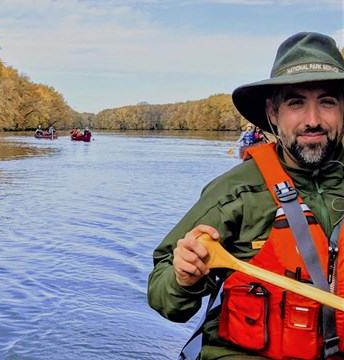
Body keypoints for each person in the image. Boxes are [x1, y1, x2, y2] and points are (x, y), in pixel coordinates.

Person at [147, 32, 344, 360]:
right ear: (272, 112)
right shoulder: (234, 192)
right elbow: (164, 298)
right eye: (296, 102)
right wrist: (184, 277)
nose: (313, 120)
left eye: (327, 101)